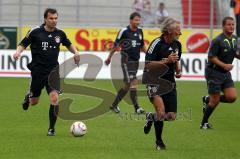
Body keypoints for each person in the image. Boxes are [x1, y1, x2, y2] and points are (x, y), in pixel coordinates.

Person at [13, 8, 80, 136]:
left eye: (56, 18)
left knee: (54, 98)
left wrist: (76, 52)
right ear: (45, 19)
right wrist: (18, 52)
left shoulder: (60, 33)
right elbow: (23, 43)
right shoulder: (35, 32)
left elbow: (68, 44)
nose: (54, 21)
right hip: (38, 71)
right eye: (51, 18)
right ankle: (29, 96)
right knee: (34, 102)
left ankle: (51, 129)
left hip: (53, 71)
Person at [142, 17, 182, 150]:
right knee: (161, 111)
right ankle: (159, 142)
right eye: (178, 29)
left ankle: (151, 117)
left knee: (171, 116)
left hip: (169, 82)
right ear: (169, 31)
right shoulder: (157, 43)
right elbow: (147, 65)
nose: (180, 31)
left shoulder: (177, 44)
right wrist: (166, 61)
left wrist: (178, 69)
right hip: (153, 80)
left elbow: (176, 59)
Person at [201, 17, 239, 129]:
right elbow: (211, 57)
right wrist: (224, 65)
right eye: (229, 24)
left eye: (233, 24)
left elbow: (234, 52)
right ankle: (203, 123)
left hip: (225, 73)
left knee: (232, 98)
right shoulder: (217, 40)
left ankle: (207, 99)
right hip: (213, 72)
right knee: (215, 101)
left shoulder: (235, 38)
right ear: (223, 26)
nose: (231, 26)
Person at [105, 12, 147, 114]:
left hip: (135, 61)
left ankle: (114, 105)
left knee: (127, 86)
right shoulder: (123, 31)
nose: (138, 22)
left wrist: (149, 55)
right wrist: (109, 57)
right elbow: (115, 46)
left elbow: (142, 46)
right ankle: (137, 108)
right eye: (136, 20)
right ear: (131, 20)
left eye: (139, 20)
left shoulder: (140, 31)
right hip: (126, 61)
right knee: (133, 82)